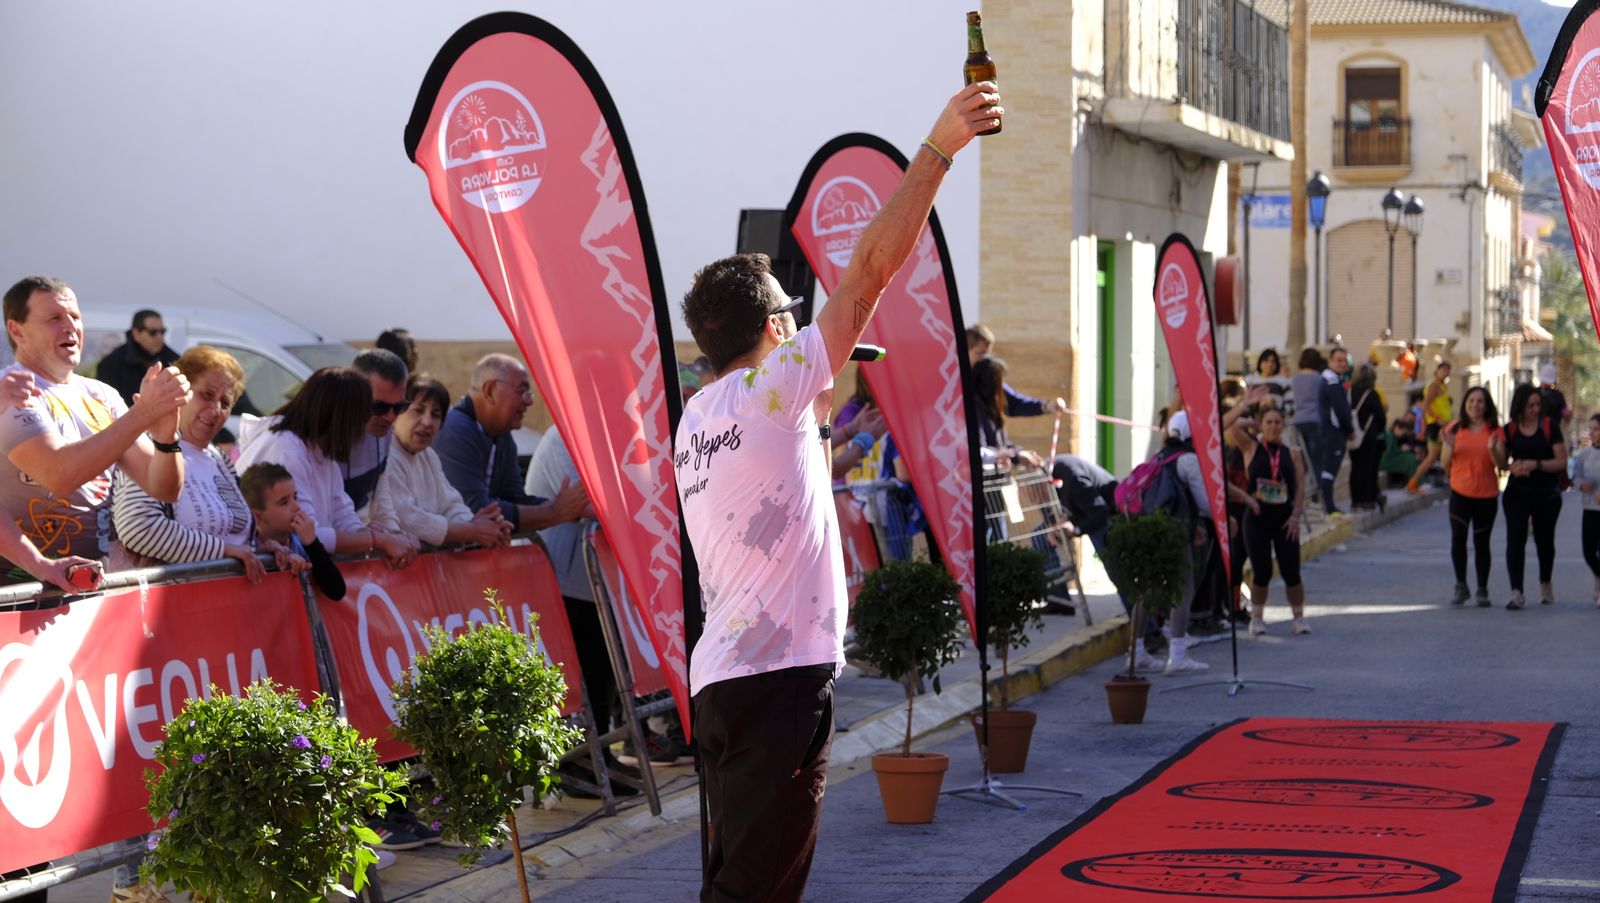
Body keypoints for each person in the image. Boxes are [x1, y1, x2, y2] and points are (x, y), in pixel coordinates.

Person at [673, 82, 1000, 902]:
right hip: (779, 676)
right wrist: (940, 147)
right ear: (775, 329)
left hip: (725, 679)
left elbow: (782, 473)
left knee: (738, 879)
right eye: (792, 317)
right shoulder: (776, 384)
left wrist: (820, 410)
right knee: (758, 889)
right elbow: (873, 268)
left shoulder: (699, 416)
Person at [0, 277, 190, 581]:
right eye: (54, 318)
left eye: (75, 317)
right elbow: (59, 475)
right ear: (17, 330)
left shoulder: (101, 395)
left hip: (87, 583)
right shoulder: (11, 389)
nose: (70, 327)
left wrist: (166, 439)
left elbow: (164, 489)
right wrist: (142, 414)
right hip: (18, 586)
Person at [110, 347, 274, 580]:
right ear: (180, 393)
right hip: (173, 598)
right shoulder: (148, 445)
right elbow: (139, 528)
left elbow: (235, 533)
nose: (215, 409)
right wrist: (223, 551)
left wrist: (262, 548)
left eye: (225, 403)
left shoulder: (219, 458)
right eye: (206, 395)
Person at [236, 367, 414, 568]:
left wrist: (373, 535)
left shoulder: (319, 448)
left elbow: (342, 515)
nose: (361, 430)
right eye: (360, 419)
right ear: (340, 419)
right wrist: (376, 540)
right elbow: (306, 533)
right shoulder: (285, 449)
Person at [434, 353, 587, 535]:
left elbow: (514, 499)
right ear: (490, 391)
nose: (529, 401)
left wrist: (570, 506)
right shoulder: (455, 432)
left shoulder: (501, 436)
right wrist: (554, 512)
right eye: (522, 391)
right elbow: (473, 511)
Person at [370, 374, 510, 549]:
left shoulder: (428, 456)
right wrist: (472, 530)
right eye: (418, 411)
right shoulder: (384, 456)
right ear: (396, 414)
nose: (427, 422)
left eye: (435, 415)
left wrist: (480, 525)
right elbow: (407, 520)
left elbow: (450, 505)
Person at [1051, 453, 1162, 671]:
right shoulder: (1056, 478)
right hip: (1100, 519)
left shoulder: (1073, 480)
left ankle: (1148, 634)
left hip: (1111, 520)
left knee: (1124, 580)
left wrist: (1076, 529)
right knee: (1125, 580)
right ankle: (1147, 632)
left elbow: (1099, 511)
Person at [1228, 405, 1309, 635]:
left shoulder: (1293, 453)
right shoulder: (1251, 448)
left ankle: (1299, 618)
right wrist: (1251, 422)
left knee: (1291, 571)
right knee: (1261, 571)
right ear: (1261, 425)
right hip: (1257, 518)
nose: (1273, 426)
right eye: (1269, 422)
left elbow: (1300, 487)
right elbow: (1233, 428)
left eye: (1277, 422)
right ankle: (1257, 618)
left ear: (1283, 425)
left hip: (1285, 520)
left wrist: (1296, 515)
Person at [1148, 412, 1214, 673]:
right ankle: (1177, 656)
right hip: (1175, 532)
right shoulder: (1188, 459)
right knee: (1183, 590)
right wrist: (1223, 519)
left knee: (1148, 591)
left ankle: (1137, 651)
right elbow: (1205, 503)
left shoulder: (1159, 456)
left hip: (1151, 529)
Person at [1493, 384, 1567, 610]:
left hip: (1546, 492)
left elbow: (1561, 461)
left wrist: (1535, 465)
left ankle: (1545, 582)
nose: (1536, 409)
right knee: (1515, 540)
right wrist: (1496, 453)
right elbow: (1502, 464)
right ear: (1520, 407)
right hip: (1517, 492)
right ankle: (1516, 591)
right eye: (1530, 406)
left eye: (1537, 405)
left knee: (1545, 541)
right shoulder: (1510, 429)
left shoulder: (1549, 427)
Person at [240, 462, 345, 600]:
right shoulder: (246, 544)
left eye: (295, 497)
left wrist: (312, 543)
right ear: (258, 516)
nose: (296, 507)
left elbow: (336, 591)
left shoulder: (300, 541)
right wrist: (269, 557)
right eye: (284, 502)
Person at [1441, 386, 1502, 607]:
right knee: (1458, 538)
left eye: (1480, 401)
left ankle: (1482, 589)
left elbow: (1502, 464)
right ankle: (1461, 584)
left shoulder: (1495, 430)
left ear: (1486, 406)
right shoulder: (1454, 428)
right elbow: (1444, 463)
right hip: (1460, 493)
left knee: (1481, 542)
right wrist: (1449, 446)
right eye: (1471, 401)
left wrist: (1493, 449)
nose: (1475, 405)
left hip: (1486, 494)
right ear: (1465, 404)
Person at [964, 323, 1065, 418]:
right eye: (980, 354)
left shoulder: (989, 380)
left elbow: (1014, 404)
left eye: (988, 354)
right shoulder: (956, 381)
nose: (986, 360)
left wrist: (1047, 406)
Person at [96, 308, 180, 407]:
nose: (159, 337)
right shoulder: (111, 365)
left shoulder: (174, 361)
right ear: (136, 334)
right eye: (153, 332)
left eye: (162, 331)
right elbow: (105, 406)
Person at [1315, 346, 1354, 517]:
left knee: (1328, 470)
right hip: (1332, 433)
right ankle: (1329, 507)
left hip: (1331, 432)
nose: (1342, 364)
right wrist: (1349, 430)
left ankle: (1328, 505)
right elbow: (1340, 409)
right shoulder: (1331, 381)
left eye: (1345, 360)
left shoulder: (1334, 379)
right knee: (1329, 470)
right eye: (1339, 360)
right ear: (1330, 361)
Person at [1568, 414, 1600, 607]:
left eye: (1597, 429)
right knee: (1588, 551)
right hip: (1589, 508)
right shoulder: (1584, 454)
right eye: (1591, 429)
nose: (1593, 433)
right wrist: (1581, 484)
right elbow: (1575, 475)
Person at [1289, 348, 1326, 512]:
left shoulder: (1295, 379)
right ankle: (1318, 495)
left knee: (1301, 462)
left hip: (1298, 422)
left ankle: (1301, 494)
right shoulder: (1319, 379)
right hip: (1315, 421)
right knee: (1316, 461)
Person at [1408, 361, 1452, 494]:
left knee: (1440, 455)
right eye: (1443, 369)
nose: (1445, 372)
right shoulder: (1434, 385)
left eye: (1447, 369)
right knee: (1435, 456)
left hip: (1443, 425)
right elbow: (1425, 405)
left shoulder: (1442, 385)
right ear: (1436, 371)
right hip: (1436, 426)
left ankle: (1450, 480)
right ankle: (1413, 483)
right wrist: (1438, 420)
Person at [1347, 364, 1387, 512]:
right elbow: (1381, 417)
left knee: (1355, 467)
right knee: (1368, 468)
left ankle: (1355, 500)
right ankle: (1366, 499)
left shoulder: (1349, 392)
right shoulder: (1372, 394)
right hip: (1368, 436)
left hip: (1353, 435)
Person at [1381, 415, 1422, 485]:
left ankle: (1415, 481)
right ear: (1397, 428)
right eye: (1402, 432)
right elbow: (1389, 452)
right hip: (1385, 461)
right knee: (1410, 459)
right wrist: (1401, 449)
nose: (1402, 434)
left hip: (1388, 459)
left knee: (1410, 457)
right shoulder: (1390, 435)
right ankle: (1416, 482)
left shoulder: (1392, 435)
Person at [1538, 361, 1572, 428]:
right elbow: (1566, 415)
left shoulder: (1533, 393)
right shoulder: (1558, 396)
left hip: (1535, 432)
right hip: (1553, 431)